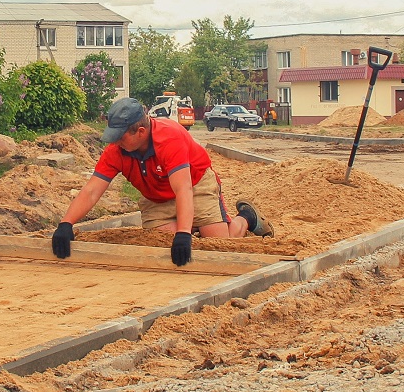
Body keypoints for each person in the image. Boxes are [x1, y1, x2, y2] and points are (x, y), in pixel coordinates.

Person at [52, 97, 273, 267]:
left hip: (195, 185)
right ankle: (192, 225)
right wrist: (66, 224)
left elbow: (183, 189)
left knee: (220, 245)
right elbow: (92, 191)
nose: (115, 142)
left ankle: (246, 218)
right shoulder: (116, 151)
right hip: (156, 197)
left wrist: (184, 234)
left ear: (140, 131)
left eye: (120, 136)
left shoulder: (169, 138)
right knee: (164, 243)